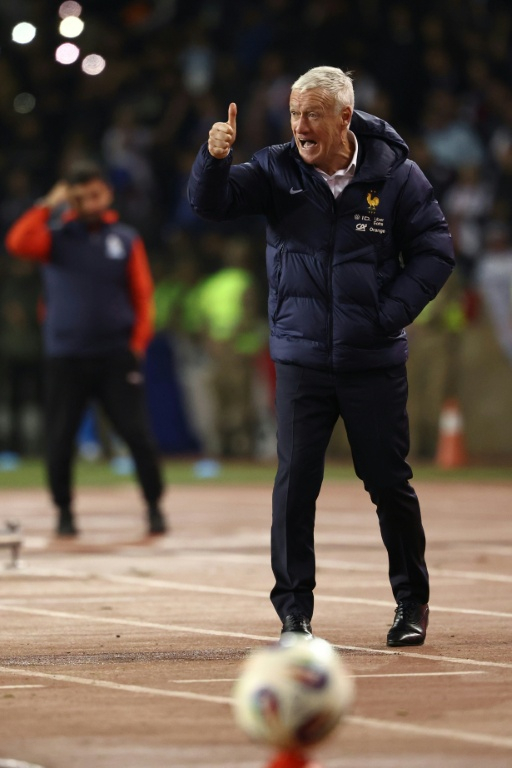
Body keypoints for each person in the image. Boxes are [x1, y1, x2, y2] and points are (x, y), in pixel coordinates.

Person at [188, 66, 455, 647]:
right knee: (295, 484)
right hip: (302, 359)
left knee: (389, 484)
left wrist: (385, 317)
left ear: (344, 118)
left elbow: (435, 252)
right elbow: (211, 205)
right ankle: (294, 616)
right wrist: (213, 159)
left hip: (373, 361)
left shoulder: (398, 176)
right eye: (293, 114)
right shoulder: (275, 168)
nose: (300, 126)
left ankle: (412, 603)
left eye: (311, 114)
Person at [5, 161, 167, 538]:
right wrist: (48, 204)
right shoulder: (55, 236)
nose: (90, 202)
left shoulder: (125, 239)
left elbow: (142, 295)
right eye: (81, 197)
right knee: (60, 439)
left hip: (115, 355)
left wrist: (138, 343)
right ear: (71, 199)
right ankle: (64, 512)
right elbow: (17, 243)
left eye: (95, 194)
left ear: (107, 193)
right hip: (66, 356)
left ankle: (154, 507)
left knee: (137, 435)